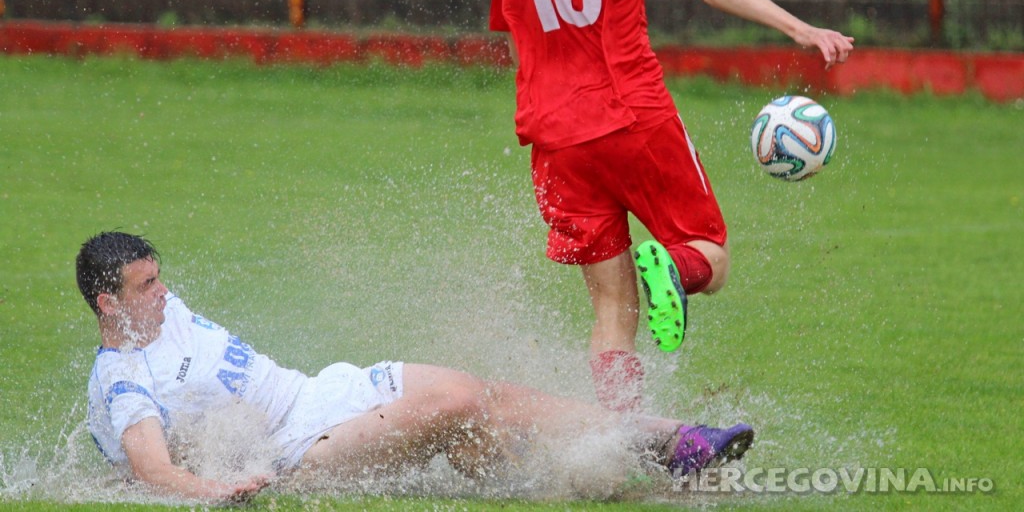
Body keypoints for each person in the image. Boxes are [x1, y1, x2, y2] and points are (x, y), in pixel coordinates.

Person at [488, 0, 854, 412]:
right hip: (632, 119)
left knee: (612, 309)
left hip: (553, 142)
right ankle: (670, 269)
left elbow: (516, 44)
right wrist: (800, 30)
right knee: (709, 254)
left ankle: (621, 439)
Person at [76, 231, 754, 503]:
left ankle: (665, 445)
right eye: (146, 287)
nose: (163, 292)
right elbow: (151, 470)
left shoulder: (162, 312)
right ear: (109, 303)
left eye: (161, 279)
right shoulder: (124, 378)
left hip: (323, 392)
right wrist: (222, 489)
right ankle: (656, 451)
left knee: (485, 406)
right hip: (293, 452)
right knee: (456, 402)